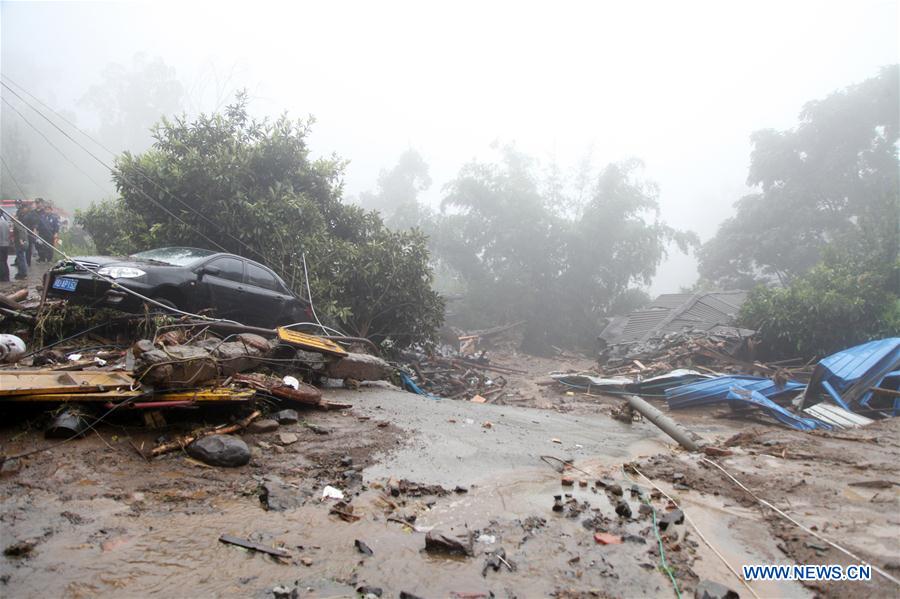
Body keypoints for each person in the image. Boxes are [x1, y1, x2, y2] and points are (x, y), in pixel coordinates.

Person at [13, 203, 29, 280]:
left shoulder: (19, 222)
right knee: (20, 258)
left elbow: (21, 231)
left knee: (21, 258)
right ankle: (21, 272)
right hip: (19, 241)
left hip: (20, 242)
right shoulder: (19, 221)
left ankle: (23, 273)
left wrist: (21, 240)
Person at [0, 209, 11, 283]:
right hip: (6, 244)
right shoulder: (6, 222)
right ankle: (6, 276)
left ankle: (3, 277)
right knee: (4, 261)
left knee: (1, 262)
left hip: (0, 244)